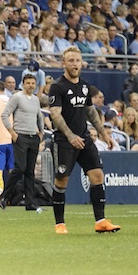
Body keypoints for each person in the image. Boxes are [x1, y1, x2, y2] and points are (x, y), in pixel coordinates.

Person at [49, 47, 120, 235]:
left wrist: (104, 134)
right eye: (70, 61)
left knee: (97, 176)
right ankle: (60, 224)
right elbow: (55, 114)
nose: (74, 64)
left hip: (84, 138)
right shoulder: (57, 86)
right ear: (64, 63)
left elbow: (90, 112)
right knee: (62, 180)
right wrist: (70, 136)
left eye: (77, 60)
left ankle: (101, 221)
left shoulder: (85, 86)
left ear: (82, 63)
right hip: (64, 141)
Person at [0, 74, 45, 212]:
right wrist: (12, 133)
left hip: (33, 137)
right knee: (20, 168)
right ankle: (4, 196)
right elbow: (4, 115)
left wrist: (41, 132)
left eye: (33, 83)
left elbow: (39, 116)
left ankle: (30, 202)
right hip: (21, 136)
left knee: (30, 171)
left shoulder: (36, 99)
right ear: (23, 84)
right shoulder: (17, 97)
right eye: (28, 83)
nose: (31, 85)